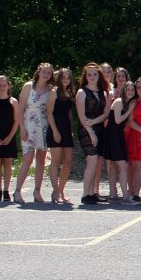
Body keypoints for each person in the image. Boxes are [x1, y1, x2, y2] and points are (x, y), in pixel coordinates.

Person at [14, 63, 54, 204]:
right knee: (28, 158)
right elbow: (20, 109)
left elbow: (50, 110)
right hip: (29, 125)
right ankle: (17, 191)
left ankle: (37, 191)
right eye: (44, 71)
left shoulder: (50, 89)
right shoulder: (28, 86)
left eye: (49, 73)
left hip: (43, 126)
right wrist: (22, 129)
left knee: (41, 160)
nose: (46, 74)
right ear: (38, 72)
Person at [76, 64, 110, 205]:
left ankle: (91, 193)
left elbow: (106, 113)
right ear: (85, 76)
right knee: (92, 161)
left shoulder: (104, 92)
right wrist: (91, 132)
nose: (92, 77)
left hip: (99, 127)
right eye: (89, 74)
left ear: (99, 76)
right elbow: (82, 116)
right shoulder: (82, 92)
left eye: (94, 74)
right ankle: (86, 194)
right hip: (86, 130)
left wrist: (95, 121)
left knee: (96, 163)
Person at [46, 68, 76, 204]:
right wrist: (55, 131)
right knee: (56, 161)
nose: (66, 80)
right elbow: (49, 113)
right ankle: (55, 192)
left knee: (68, 161)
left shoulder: (70, 93)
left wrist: (70, 130)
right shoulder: (53, 92)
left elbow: (69, 113)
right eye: (63, 77)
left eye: (68, 78)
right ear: (59, 78)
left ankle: (61, 190)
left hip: (66, 129)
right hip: (55, 129)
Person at [105, 82, 134, 205]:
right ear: (124, 90)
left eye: (133, 90)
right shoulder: (119, 101)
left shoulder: (128, 102)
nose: (131, 92)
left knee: (114, 167)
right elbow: (117, 120)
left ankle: (112, 195)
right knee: (122, 166)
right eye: (128, 89)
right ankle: (125, 197)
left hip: (118, 135)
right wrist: (130, 111)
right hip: (113, 135)